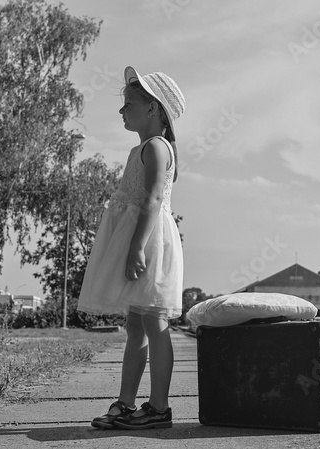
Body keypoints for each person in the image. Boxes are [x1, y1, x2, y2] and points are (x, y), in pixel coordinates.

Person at [77, 66, 185, 430]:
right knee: (136, 325)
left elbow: (154, 199)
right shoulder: (141, 147)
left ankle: (159, 407)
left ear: (153, 109)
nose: (122, 111)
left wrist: (137, 248)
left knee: (154, 321)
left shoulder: (156, 147)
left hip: (150, 241)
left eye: (128, 104)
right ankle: (125, 402)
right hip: (142, 238)